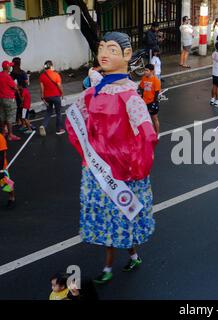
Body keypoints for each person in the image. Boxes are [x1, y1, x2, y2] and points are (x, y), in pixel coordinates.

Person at [65, 32, 158, 284]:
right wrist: (89, 152)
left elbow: (148, 135)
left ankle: (110, 267)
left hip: (121, 173)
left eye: (112, 50)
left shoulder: (131, 98)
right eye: (101, 48)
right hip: (98, 171)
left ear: (127, 55)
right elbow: (77, 122)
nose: (104, 54)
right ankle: (131, 255)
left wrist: (136, 166)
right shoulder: (94, 93)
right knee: (114, 222)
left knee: (117, 222)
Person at [39, 60, 65, 136]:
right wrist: (62, 93)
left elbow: (41, 87)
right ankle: (58, 129)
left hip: (47, 97)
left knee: (49, 111)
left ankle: (43, 125)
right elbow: (59, 85)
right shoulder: (56, 75)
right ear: (51, 66)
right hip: (56, 96)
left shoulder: (42, 76)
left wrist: (42, 95)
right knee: (58, 113)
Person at [0, 61, 20, 141]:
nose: (11, 67)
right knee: (9, 117)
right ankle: (10, 135)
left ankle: (3, 133)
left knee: (2, 116)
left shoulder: (0, 75)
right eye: (10, 66)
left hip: (1, 99)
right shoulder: (7, 76)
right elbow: (15, 87)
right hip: (9, 99)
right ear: (7, 67)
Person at [139, 64, 161, 135]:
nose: (145, 72)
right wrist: (141, 96)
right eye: (144, 70)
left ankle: (157, 134)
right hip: (144, 102)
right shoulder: (144, 78)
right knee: (145, 120)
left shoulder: (156, 80)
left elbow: (157, 93)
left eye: (146, 70)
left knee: (154, 119)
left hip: (152, 102)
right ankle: (149, 133)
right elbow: (141, 87)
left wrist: (155, 103)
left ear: (151, 71)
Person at [10, 57, 28, 125]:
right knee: (23, 106)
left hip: (16, 91)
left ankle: (18, 120)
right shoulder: (22, 72)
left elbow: (10, 82)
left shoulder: (12, 73)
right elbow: (26, 82)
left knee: (19, 105)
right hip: (23, 91)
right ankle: (23, 120)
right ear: (19, 64)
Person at [0, 132, 15, 209]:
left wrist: (1, 170)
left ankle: (11, 197)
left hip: (1, 165)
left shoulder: (0, 138)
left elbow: (1, 155)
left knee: (4, 182)